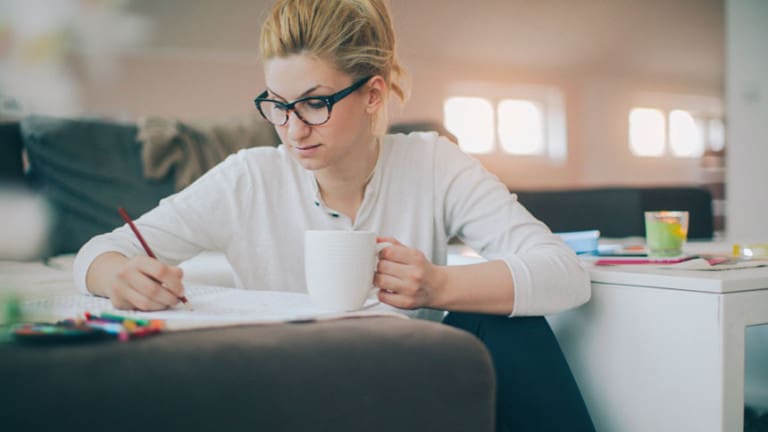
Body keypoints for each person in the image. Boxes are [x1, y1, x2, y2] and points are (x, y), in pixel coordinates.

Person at [73, 0, 595, 430]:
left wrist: (436, 286)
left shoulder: (432, 163)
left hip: (412, 394)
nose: (292, 128)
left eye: (314, 103)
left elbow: (563, 272)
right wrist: (121, 276)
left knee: (504, 323)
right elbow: (97, 252)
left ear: (373, 94)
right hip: (295, 396)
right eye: (276, 104)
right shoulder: (249, 178)